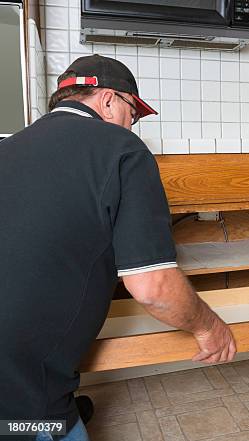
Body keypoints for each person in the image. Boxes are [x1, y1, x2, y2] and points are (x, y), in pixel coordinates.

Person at [0, 54, 236, 441]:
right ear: (108, 100)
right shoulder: (121, 147)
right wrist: (210, 327)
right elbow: (154, 287)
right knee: (43, 424)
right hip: (21, 395)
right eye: (133, 113)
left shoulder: (9, 146)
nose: (133, 124)